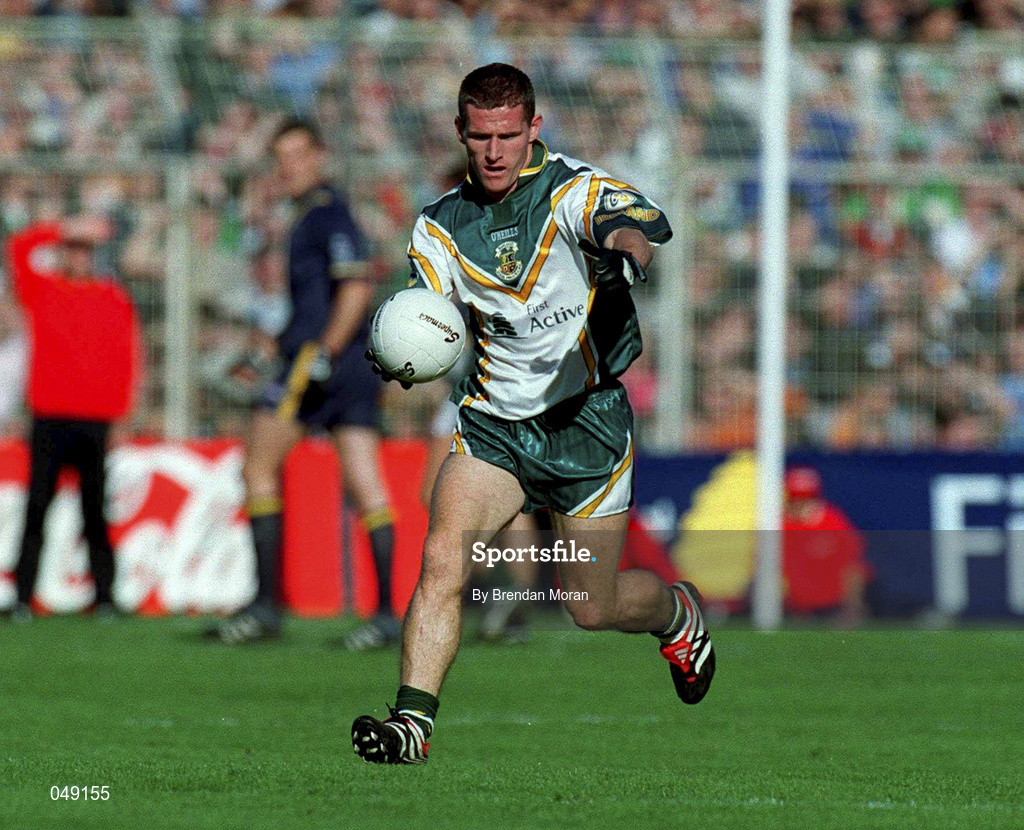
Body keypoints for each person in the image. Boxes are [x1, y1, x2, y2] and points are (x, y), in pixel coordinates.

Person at [353, 63, 715, 765]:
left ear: (534, 130)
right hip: (495, 426)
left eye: (508, 135)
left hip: (586, 424)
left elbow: (632, 227)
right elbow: (429, 320)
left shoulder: (573, 190)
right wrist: (400, 350)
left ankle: (677, 612)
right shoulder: (438, 228)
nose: (494, 151)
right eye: (481, 136)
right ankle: (411, 725)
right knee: (441, 562)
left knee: (593, 605)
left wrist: (626, 258)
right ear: (461, 132)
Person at [210, 118, 399, 647]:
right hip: (350, 361)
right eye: (280, 157)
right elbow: (315, 303)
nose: (287, 167)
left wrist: (321, 352)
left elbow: (355, 289)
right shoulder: (312, 218)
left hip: (325, 362)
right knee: (365, 482)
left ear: (319, 156)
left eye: (296, 155)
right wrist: (265, 348)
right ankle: (385, 613)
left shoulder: (327, 216)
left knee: (258, 466)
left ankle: (266, 605)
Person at [3, 216, 141, 619]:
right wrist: (65, 227)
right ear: (64, 251)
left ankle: (105, 597)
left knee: (95, 511)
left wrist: (122, 414)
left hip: (95, 420)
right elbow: (18, 248)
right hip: (49, 417)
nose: (79, 257)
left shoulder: (112, 297)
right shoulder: (44, 290)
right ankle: (23, 598)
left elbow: (126, 357)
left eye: (85, 250)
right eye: (72, 249)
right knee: (37, 510)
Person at [782, 466, 872, 626]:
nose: (800, 504)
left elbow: (854, 567)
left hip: (833, 609)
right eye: (795, 498)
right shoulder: (780, 525)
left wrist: (852, 608)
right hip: (795, 611)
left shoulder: (833, 521)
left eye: (805, 498)